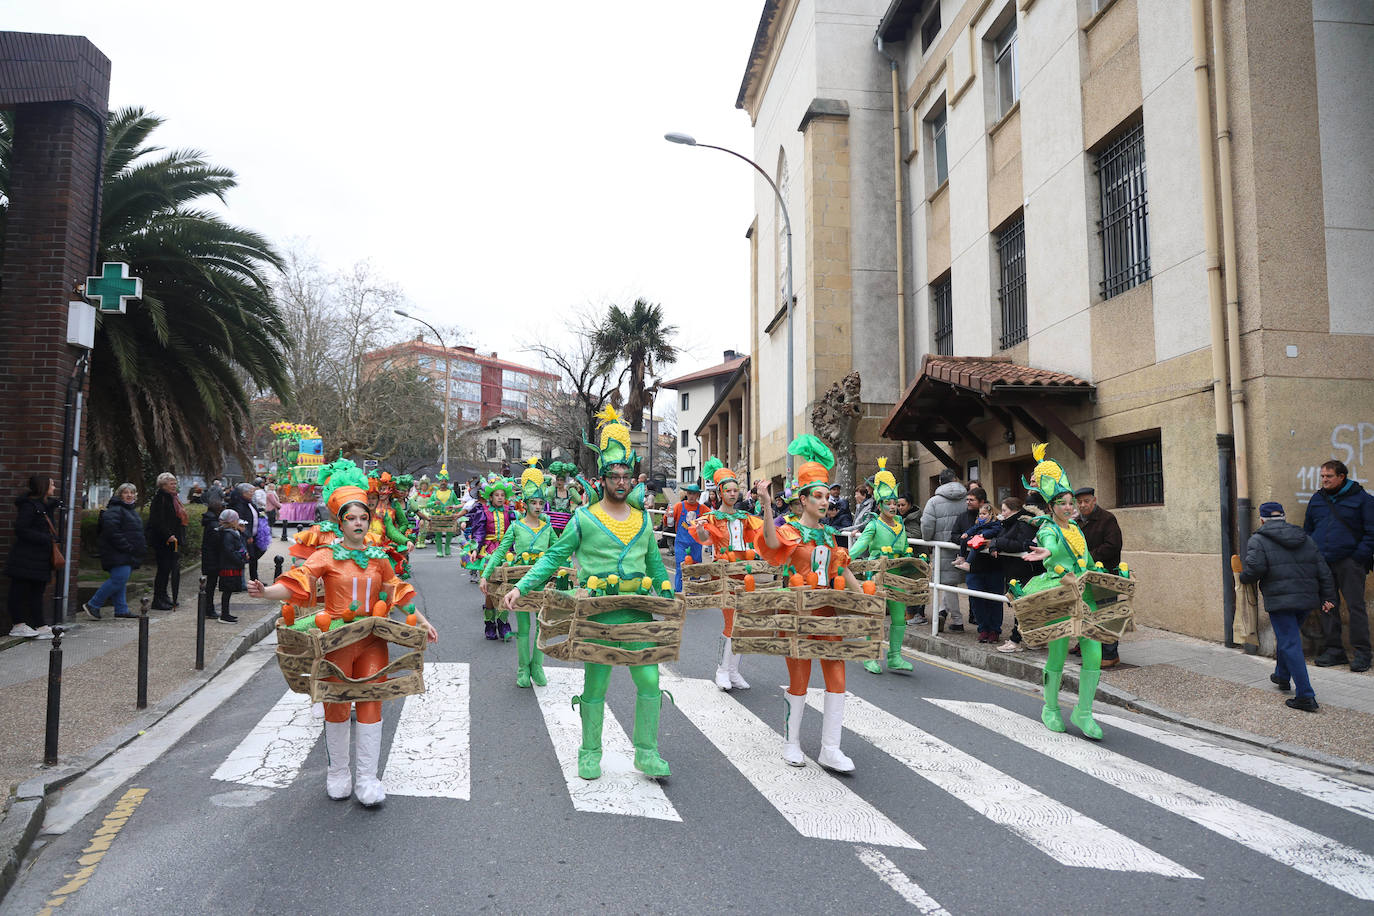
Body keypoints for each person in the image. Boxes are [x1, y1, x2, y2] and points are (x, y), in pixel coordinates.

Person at [249, 465, 438, 805]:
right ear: (341, 523)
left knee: (371, 701)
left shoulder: (379, 558)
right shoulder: (326, 555)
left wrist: (421, 621)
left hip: (372, 641)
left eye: (364, 518)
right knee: (336, 706)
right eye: (351, 518)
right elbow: (299, 581)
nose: (359, 523)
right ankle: (338, 772)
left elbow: (396, 591)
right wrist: (266, 592)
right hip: (336, 641)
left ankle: (367, 778)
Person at [504, 406, 672, 780]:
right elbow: (553, 557)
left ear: (632, 477)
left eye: (626, 475)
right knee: (596, 683)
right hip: (598, 616)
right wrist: (520, 586)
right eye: (614, 476)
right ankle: (590, 752)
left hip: (638, 613)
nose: (621, 482)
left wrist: (669, 599)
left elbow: (656, 566)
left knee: (649, 681)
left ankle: (647, 752)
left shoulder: (643, 520)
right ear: (603, 478)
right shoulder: (584, 518)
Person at [754, 435, 868, 772]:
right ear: (802, 500)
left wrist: (865, 601)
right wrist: (766, 505)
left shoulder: (830, 535)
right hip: (798, 614)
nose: (824, 501)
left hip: (828, 614)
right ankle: (792, 743)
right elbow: (770, 541)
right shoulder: (790, 531)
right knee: (800, 678)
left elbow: (842, 569)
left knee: (837, 676)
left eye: (827, 496)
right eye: (817, 496)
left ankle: (830, 748)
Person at [1018, 445, 1107, 739]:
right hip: (1060, 595)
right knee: (1057, 655)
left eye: (1071, 503)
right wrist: (1046, 553)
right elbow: (1050, 547)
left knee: (1094, 654)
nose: (1069, 507)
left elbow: (1087, 561)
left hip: (1084, 595)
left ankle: (1084, 712)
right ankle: (1051, 708)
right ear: (1051, 506)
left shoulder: (1076, 529)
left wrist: (1103, 573)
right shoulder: (1048, 529)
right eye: (1062, 503)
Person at [1237, 501, 1336, 712]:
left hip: (1280, 601)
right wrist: (1328, 597)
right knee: (1287, 638)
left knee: (1290, 643)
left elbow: (1255, 569)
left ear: (1262, 520)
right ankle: (1282, 675)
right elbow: (1323, 570)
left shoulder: (1258, 539)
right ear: (1283, 517)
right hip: (1306, 600)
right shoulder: (1305, 537)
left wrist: (1242, 577)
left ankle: (1306, 696)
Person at [688, 457, 765, 690]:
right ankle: (722, 670)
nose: (733, 494)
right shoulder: (712, 517)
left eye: (735, 490)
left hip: (744, 575)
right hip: (723, 574)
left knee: (743, 624)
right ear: (720, 493)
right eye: (728, 491)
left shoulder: (744, 518)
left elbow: (763, 534)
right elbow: (704, 538)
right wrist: (701, 530)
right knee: (731, 622)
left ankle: (733, 671)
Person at [480, 461, 553, 687]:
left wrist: (571, 574)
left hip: (543, 583)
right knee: (524, 627)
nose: (538, 507)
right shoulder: (516, 527)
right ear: (525, 503)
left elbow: (560, 553)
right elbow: (500, 551)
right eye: (533, 502)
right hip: (520, 583)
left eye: (541, 503)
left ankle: (537, 667)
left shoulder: (548, 528)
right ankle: (523, 668)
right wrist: (485, 574)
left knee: (542, 625)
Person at [1302, 459, 1374, 672]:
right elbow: (1308, 529)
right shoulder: (1317, 499)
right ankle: (1334, 650)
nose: (1324, 480)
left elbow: (1371, 532)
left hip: (1350, 563)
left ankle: (1362, 653)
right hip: (1324, 563)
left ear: (1342, 477)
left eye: (1329, 476)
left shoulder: (1363, 500)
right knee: (1328, 606)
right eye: (1322, 476)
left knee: (1355, 607)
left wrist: (1358, 557)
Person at [849, 459, 918, 674]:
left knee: (899, 617)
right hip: (877, 575)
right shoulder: (873, 525)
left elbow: (905, 547)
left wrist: (910, 557)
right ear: (879, 505)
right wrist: (844, 558)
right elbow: (859, 546)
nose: (892, 506)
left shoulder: (901, 526)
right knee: (875, 615)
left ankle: (895, 656)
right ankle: (870, 656)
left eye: (894, 502)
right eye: (888, 502)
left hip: (896, 575)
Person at [1075, 486, 1124, 667]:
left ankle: (1110, 655)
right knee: (1089, 613)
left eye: (1086, 501)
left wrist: (1088, 558)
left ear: (1094, 501)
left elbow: (1113, 545)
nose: (1083, 505)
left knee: (1107, 614)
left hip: (1105, 575)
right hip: (1085, 575)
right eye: (1079, 502)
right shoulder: (1077, 522)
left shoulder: (1107, 518)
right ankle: (1092, 649)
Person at [5, 475, 59, 638]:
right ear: (43, 486)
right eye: (52, 484)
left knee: (37, 592)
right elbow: (21, 529)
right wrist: (46, 538)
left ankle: (40, 625)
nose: (54, 487)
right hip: (26, 557)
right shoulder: (30, 506)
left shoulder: (43, 506)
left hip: (40, 558)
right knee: (18, 591)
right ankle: (18, 624)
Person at [83, 483, 146, 620]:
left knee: (120, 581)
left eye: (132, 492)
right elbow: (112, 531)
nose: (129, 495)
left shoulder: (130, 510)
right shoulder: (115, 510)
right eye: (126, 492)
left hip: (125, 552)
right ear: (120, 494)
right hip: (117, 552)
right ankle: (93, 604)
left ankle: (121, 609)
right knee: (118, 579)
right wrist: (127, 547)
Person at [468, 474, 517, 640]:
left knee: (505, 588)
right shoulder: (483, 512)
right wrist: (475, 549)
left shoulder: (510, 512)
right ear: (490, 496)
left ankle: (503, 623)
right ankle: (489, 624)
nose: (500, 498)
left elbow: (516, 532)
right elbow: (479, 533)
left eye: (503, 495)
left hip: (506, 553)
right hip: (488, 552)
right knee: (490, 590)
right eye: (497, 495)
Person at [922, 470, 969, 631]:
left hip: (941, 546)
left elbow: (927, 527)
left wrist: (928, 539)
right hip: (964, 547)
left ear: (941, 482)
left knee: (947, 583)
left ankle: (957, 619)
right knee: (951, 583)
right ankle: (942, 611)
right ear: (955, 479)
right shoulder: (967, 499)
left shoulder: (933, 502)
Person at [991, 495, 1040, 652]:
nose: (1002, 513)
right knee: (1022, 606)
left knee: (1021, 605)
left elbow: (1021, 544)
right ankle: (1034, 639)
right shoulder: (1009, 523)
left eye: (1004, 510)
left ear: (1015, 510)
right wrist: (994, 545)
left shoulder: (1024, 523)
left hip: (1025, 570)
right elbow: (998, 538)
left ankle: (1016, 640)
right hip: (1014, 569)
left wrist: (998, 543)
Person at [959, 501, 1006, 644]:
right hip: (975, 568)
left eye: (971, 498)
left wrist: (991, 543)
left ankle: (994, 630)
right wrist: (968, 538)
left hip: (994, 567)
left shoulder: (999, 523)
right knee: (976, 600)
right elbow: (955, 536)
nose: (968, 501)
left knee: (995, 601)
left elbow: (1003, 538)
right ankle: (983, 629)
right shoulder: (964, 518)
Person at [147, 472, 187, 610]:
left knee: (168, 569)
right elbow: (157, 520)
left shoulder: (172, 497)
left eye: (175, 483)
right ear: (163, 485)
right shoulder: (160, 499)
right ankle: (158, 599)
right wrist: (168, 535)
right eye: (171, 483)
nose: (174, 486)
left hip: (173, 539)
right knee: (163, 570)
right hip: (163, 540)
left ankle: (164, 596)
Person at [666, 482, 703, 590]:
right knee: (681, 567)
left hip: (696, 544)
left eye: (694, 494)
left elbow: (711, 519)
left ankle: (693, 592)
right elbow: (668, 521)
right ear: (686, 494)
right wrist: (667, 516)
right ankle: (679, 591)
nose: (691, 496)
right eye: (689, 493)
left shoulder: (702, 509)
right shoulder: (679, 506)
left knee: (696, 569)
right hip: (681, 543)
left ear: (698, 495)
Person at [896, 493, 927, 625]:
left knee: (916, 585)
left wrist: (898, 533)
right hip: (908, 555)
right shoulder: (901, 516)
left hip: (918, 555)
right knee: (909, 584)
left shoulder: (913, 517)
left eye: (903, 505)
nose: (900, 508)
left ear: (910, 504)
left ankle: (917, 614)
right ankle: (911, 612)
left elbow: (916, 534)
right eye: (898, 505)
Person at [215, 509, 249, 623]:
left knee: (229, 590)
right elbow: (229, 551)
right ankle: (224, 615)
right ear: (231, 521)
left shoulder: (230, 533)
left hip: (231, 565)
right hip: (229, 566)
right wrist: (240, 558)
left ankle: (226, 613)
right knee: (227, 590)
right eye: (236, 520)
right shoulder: (228, 535)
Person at [227, 483, 264, 583]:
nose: (252, 494)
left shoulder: (250, 503)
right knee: (244, 557)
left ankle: (255, 579)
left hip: (254, 535)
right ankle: (241, 582)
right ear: (243, 493)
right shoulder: (239, 505)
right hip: (245, 536)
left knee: (254, 558)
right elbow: (240, 522)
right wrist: (248, 535)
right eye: (250, 492)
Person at [200, 494, 224, 618]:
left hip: (210, 557)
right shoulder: (214, 524)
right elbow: (217, 541)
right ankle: (208, 609)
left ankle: (208, 608)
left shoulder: (211, 521)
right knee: (211, 585)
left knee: (210, 584)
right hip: (213, 558)